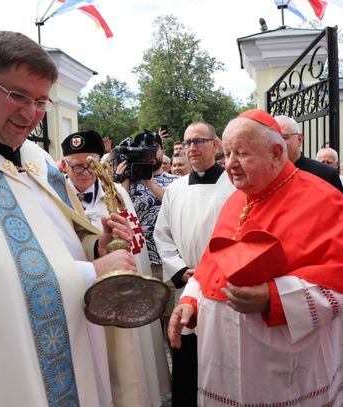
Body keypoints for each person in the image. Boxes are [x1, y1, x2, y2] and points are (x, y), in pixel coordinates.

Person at [0, 31, 137, 406]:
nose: (31, 115)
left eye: (41, 101)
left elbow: (60, 233)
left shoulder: (36, 158)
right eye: (18, 96)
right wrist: (93, 273)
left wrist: (94, 247)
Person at [168, 109, 343, 406]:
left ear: (276, 153)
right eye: (227, 153)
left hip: (287, 367)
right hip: (225, 362)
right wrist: (191, 299)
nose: (230, 164)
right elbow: (214, 261)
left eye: (242, 154)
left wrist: (275, 297)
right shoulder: (237, 199)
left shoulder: (323, 199)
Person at [61, 130, 171, 406]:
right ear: (64, 165)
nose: (85, 172)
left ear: (102, 163)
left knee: (125, 356)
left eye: (91, 164)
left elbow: (138, 246)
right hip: (76, 289)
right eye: (76, 166)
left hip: (118, 289)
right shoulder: (56, 196)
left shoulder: (117, 192)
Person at [155, 121, 235, 406]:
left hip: (224, 284)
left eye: (199, 141)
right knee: (187, 352)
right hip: (188, 283)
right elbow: (161, 234)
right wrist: (178, 269)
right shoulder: (175, 190)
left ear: (216, 145)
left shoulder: (236, 186)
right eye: (187, 142)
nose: (191, 147)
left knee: (224, 353)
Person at [116, 131, 178, 285]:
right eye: (144, 150)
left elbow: (172, 203)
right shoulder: (128, 184)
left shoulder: (177, 181)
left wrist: (148, 182)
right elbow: (119, 211)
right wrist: (122, 180)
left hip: (168, 261)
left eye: (154, 148)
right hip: (138, 260)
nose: (149, 154)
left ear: (163, 151)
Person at [275, 115, 343, 193]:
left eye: (284, 137)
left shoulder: (325, 174)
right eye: (274, 138)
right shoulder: (266, 175)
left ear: (299, 139)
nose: (279, 143)